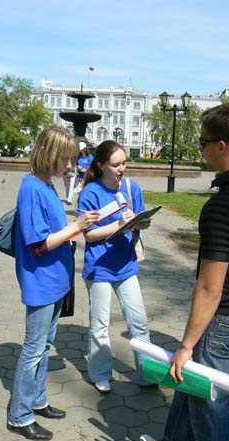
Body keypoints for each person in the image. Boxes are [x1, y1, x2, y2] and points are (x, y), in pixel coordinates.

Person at [140, 104, 229, 441]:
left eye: (202, 143)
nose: (199, 149)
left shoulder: (222, 206)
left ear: (221, 145)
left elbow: (209, 288)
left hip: (224, 319)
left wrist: (185, 346)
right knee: (190, 387)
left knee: (208, 405)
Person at [7, 126, 99, 441]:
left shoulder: (46, 185)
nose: (71, 166)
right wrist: (77, 226)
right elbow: (38, 244)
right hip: (41, 282)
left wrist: (75, 229)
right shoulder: (32, 188)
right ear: (50, 155)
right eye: (67, 159)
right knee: (33, 349)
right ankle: (19, 416)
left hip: (56, 280)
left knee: (44, 346)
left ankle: (37, 399)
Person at [78, 139, 153, 393]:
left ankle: (147, 373)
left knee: (139, 322)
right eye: (115, 164)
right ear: (100, 165)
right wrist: (119, 225)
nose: (122, 168)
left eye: (124, 163)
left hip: (126, 264)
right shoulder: (90, 193)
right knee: (100, 324)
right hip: (99, 267)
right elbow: (88, 235)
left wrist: (141, 223)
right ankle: (100, 373)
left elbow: (139, 219)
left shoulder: (132, 187)